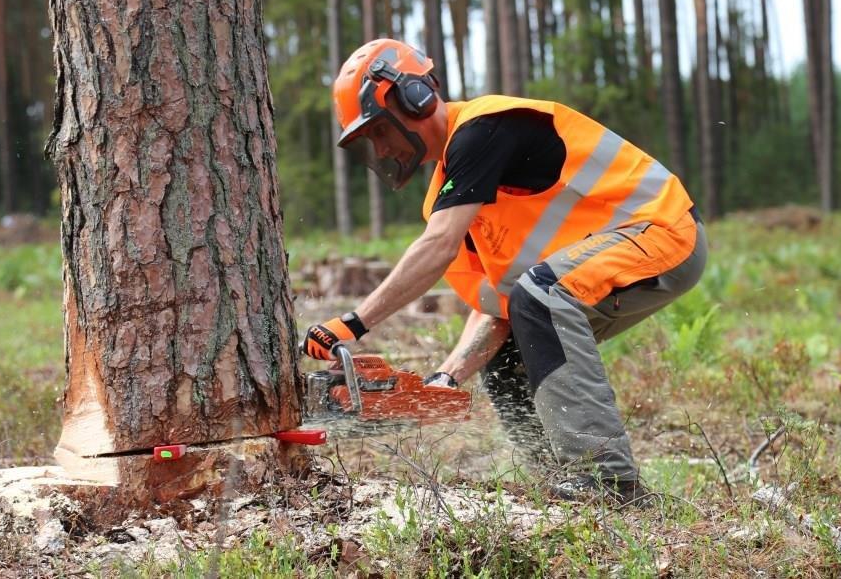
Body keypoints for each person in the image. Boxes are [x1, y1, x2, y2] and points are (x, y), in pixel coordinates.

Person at [301, 38, 707, 506]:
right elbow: (498, 305)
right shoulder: (446, 200)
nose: (382, 148)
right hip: (604, 264)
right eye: (368, 142)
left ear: (413, 98)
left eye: (378, 131)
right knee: (513, 344)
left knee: (543, 295)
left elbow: (439, 246)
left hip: (665, 232)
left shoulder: (485, 128)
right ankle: (561, 481)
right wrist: (444, 379)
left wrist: (353, 323)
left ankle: (610, 481)